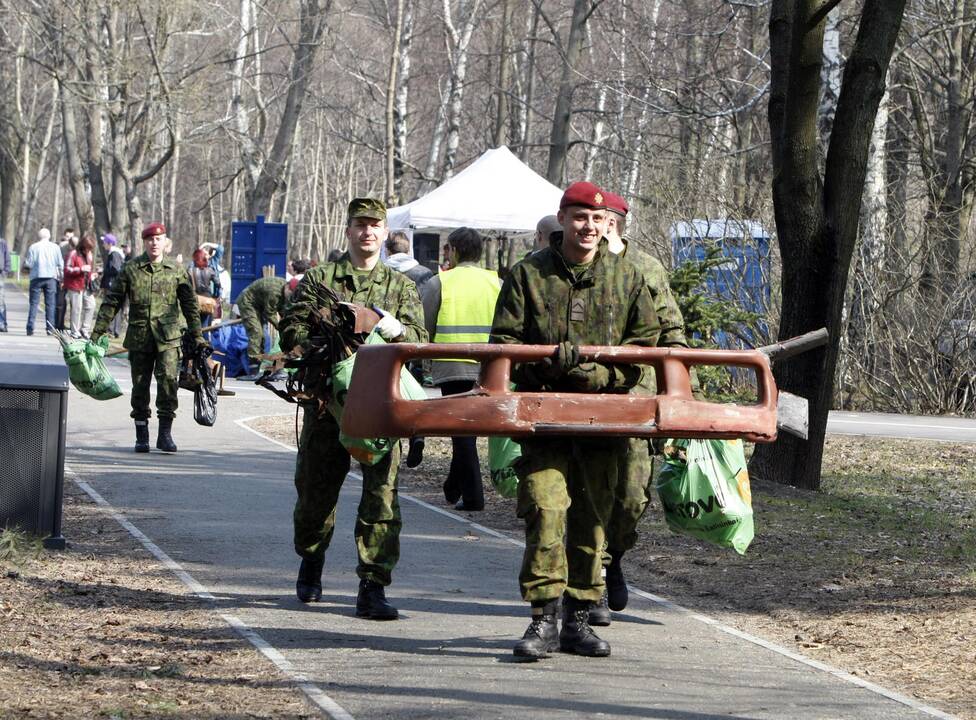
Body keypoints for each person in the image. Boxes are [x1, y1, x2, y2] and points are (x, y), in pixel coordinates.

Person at [490, 181, 661, 660]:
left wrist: (603, 371)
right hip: (544, 416)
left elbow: (645, 344)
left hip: (602, 418)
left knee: (592, 517)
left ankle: (579, 619)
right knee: (545, 509)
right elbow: (502, 342)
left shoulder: (627, 278)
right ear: (562, 218)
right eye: (580, 217)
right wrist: (546, 365)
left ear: (609, 225)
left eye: (598, 220)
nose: (589, 227)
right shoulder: (528, 275)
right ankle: (542, 620)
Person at [279, 197, 426, 620]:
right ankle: (311, 559)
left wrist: (387, 325)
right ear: (348, 230)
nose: (368, 233)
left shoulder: (400, 287)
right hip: (328, 405)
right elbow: (292, 330)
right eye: (361, 225)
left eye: (375, 226)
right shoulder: (320, 279)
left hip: (381, 408)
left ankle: (373, 586)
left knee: (381, 500)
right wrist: (329, 327)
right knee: (314, 494)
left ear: (384, 232)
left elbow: (417, 339)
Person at [583, 190, 700, 627]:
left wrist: (681, 396)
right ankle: (590, 581)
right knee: (589, 489)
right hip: (588, 397)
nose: (602, 226)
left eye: (608, 219)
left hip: (638, 398)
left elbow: (672, 330)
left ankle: (614, 558)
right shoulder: (578, 266)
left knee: (631, 495)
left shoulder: (647, 267)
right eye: (596, 218)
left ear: (617, 224)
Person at [91, 222, 206, 454]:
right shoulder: (131, 268)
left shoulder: (176, 269)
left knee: (167, 385)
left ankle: (165, 435)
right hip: (140, 338)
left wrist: (198, 336)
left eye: (158, 239)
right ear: (144, 242)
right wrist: (97, 332)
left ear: (165, 242)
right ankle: (141, 435)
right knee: (140, 387)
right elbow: (113, 301)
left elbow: (190, 306)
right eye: (150, 239)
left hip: (169, 339)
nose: (154, 243)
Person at [421, 227, 500, 511]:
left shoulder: (440, 282)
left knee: (461, 431)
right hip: (489, 366)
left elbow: (425, 322)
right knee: (468, 430)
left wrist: (424, 354)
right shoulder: (496, 282)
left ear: (453, 250)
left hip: (452, 363)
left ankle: (473, 496)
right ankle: (454, 486)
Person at [383, 231, 434, 468]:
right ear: (408, 249)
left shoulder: (383, 272)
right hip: (414, 337)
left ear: (388, 250)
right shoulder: (425, 273)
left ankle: (389, 441)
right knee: (413, 389)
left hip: (386, 340)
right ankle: (417, 432)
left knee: (388, 393)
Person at [235, 275, 288, 380]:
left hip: (259, 304)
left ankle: (264, 367)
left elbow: (283, 310)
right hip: (248, 302)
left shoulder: (285, 291)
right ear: (288, 289)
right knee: (256, 332)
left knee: (264, 336)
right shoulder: (274, 292)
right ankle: (253, 371)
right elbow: (270, 314)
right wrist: (280, 327)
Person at [23, 228, 64, 336]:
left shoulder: (33, 247)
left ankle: (30, 327)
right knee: (50, 304)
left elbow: (29, 264)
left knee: (34, 303)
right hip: (51, 278)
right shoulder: (55, 247)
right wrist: (61, 277)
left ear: (39, 236)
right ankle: (50, 328)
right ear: (49, 236)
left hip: (36, 277)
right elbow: (60, 263)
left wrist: (26, 264)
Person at [63, 232, 99, 338]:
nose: (88, 251)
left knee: (91, 305)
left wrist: (92, 275)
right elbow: (67, 269)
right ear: (82, 246)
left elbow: (90, 268)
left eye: (90, 249)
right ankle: (75, 330)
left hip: (86, 285)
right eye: (87, 248)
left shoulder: (89, 255)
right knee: (77, 308)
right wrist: (80, 269)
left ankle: (85, 329)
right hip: (74, 285)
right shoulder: (73, 254)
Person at [100, 233, 127, 338]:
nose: (103, 244)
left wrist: (104, 270)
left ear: (109, 243)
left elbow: (115, 270)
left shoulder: (114, 254)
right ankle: (114, 330)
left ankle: (112, 330)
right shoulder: (115, 253)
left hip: (113, 285)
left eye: (104, 242)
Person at [189, 247, 221, 327]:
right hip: (208, 300)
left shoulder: (190, 271)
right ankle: (206, 338)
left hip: (195, 300)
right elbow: (218, 283)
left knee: (195, 325)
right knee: (206, 325)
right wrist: (215, 295)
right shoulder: (210, 270)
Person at [56, 228, 78, 330]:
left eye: (71, 237)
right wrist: (61, 278)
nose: (69, 239)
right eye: (68, 237)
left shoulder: (76, 249)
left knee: (74, 303)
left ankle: (73, 326)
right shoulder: (61, 247)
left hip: (73, 278)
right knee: (61, 302)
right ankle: (59, 324)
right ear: (64, 236)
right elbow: (59, 264)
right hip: (63, 277)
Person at [0, 235, 9, 332]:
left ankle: (2, 323)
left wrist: (5, 272)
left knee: (0, 301)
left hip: (0, 275)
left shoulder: (2, 242)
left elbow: (7, 258)